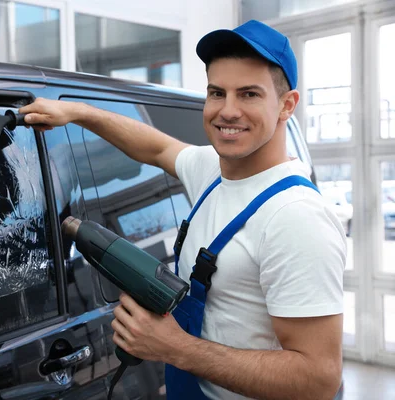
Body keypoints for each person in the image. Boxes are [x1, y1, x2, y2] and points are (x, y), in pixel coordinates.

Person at [19, 19, 346, 400]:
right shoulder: (213, 170)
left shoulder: (296, 217)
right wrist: (78, 114)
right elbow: (156, 148)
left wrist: (176, 348)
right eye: (216, 92)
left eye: (249, 95)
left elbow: (318, 379)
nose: (228, 111)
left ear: (286, 105)